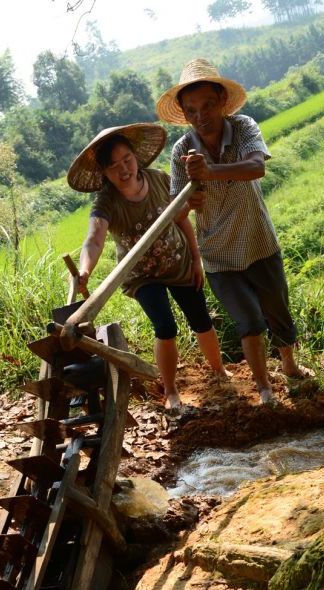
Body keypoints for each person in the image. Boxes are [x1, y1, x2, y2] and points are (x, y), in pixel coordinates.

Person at [158, 60, 313, 405]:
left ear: (222, 103)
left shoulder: (243, 127)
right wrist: (190, 200)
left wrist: (209, 172)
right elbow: (176, 211)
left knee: (278, 311)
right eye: (192, 110)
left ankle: (289, 367)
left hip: (257, 239)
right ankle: (264, 389)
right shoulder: (182, 151)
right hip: (218, 254)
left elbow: (256, 167)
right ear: (184, 115)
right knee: (250, 322)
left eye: (208, 105)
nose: (201, 115)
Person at [66, 122, 230, 411]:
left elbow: (181, 219)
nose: (123, 169)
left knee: (200, 318)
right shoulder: (106, 202)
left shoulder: (159, 180)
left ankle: (220, 372)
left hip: (178, 262)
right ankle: (171, 391)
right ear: (104, 173)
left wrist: (195, 259)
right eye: (114, 166)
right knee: (165, 326)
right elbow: (94, 239)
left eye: (127, 160)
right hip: (142, 276)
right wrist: (85, 271)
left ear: (136, 157)